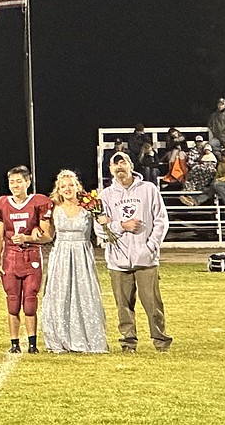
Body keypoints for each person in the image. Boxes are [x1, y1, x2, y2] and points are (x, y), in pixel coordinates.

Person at [97, 151, 172, 353]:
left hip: (145, 259)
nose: (119, 166)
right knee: (123, 305)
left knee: (153, 303)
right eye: (115, 164)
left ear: (131, 165)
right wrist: (122, 225)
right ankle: (128, 343)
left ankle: (160, 341)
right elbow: (99, 229)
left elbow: (161, 221)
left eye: (123, 162)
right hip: (118, 261)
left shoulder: (148, 189)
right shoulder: (104, 196)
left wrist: (150, 247)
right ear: (110, 169)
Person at [0, 165, 53, 354]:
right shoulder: (1, 204)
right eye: (11, 181)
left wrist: (30, 237)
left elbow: (47, 235)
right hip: (10, 257)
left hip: (31, 256)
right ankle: (14, 343)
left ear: (28, 182)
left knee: (31, 301)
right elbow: (0, 236)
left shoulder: (38, 202)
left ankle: (32, 344)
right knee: (13, 301)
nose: (15, 185)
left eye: (19, 181)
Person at [41, 170, 108, 353]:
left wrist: (104, 222)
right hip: (61, 255)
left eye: (71, 185)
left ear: (77, 186)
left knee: (84, 294)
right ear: (58, 190)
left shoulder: (89, 206)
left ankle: (87, 338)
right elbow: (48, 234)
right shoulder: (54, 208)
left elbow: (101, 230)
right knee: (60, 295)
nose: (67, 189)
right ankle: (60, 338)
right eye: (63, 186)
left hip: (82, 256)